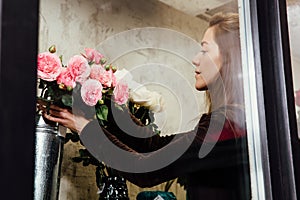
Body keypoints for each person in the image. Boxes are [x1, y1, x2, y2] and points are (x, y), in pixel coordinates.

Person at [39, 12, 250, 200]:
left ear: (230, 59)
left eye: (204, 50)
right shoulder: (231, 121)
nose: (195, 59)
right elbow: (155, 145)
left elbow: (146, 169)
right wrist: (112, 102)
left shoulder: (225, 126)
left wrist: (85, 128)